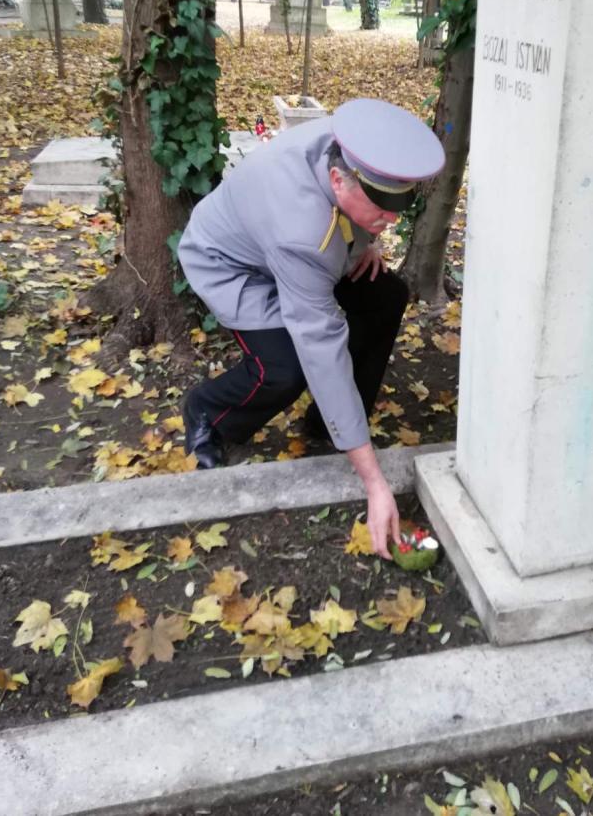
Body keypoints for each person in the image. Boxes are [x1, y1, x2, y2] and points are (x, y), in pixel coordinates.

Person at [178, 97, 445, 557]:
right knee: (285, 368)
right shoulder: (302, 231)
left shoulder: (348, 147)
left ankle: (330, 422)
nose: (393, 219)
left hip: (301, 244)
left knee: (385, 296)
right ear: (339, 181)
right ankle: (207, 411)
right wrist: (374, 481)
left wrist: (366, 238)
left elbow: (366, 196)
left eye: (400, 205)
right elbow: (320, 344)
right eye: (383, 207)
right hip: (234, 265)